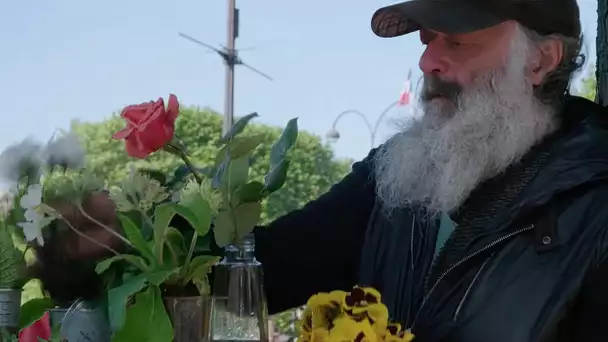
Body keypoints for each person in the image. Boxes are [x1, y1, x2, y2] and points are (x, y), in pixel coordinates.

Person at [33, 0, 608, 340]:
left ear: (541, 59)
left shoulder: (596, 200)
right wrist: (126, 243)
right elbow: (268, 266)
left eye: (458, 40)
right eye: (429, 38)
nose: (428, 60)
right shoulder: (396, 179)